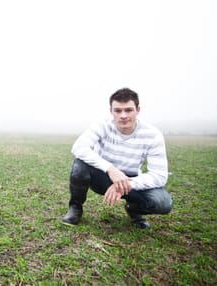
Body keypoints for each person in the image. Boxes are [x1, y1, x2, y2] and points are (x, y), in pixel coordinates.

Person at [62, 88, 172, 229]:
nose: (123, 115)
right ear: (111, 111)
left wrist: (125, 184)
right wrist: (110, 169)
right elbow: (79, 147)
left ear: (137, 110)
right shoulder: (103, 124)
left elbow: (159, 176)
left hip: (132, 181)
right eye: (118, 110)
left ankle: (134, 209)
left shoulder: (153, 135)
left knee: (163, 203)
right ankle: (75, 207)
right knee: (80, 165)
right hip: (103, 176)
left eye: (128, 110)